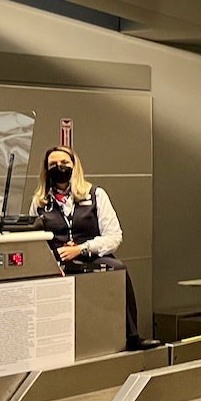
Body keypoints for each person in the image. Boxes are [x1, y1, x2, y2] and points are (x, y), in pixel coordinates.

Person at [31, 146, 161, 351]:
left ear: (74, 166)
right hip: (56, 261)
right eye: (53, 165)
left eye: (64, 163)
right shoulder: (40, 202)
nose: (59, 168)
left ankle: (132, 336)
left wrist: (83, 248)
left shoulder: (95, 195)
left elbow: (114, 236)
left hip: (89, 256)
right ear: (46, 171)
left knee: (118, 268)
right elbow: (34, 239)